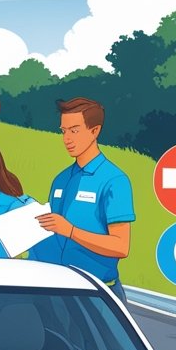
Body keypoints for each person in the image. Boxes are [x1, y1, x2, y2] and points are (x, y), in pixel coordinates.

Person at [34, 97, 135, 302]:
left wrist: (71, 231)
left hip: (97, 293)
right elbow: (54, 233)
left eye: (74, 130)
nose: (67, 139)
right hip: (56, 291)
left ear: (95, 131)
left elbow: (121, 246)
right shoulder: (61, 179)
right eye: (63, 131)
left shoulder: (115, 180)